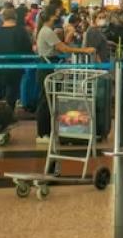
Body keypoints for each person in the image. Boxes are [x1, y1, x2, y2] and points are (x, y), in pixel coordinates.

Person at [35, 8, 97, 143]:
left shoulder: (45, 31)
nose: (58, 19)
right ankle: (42, 134)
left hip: (47, 66)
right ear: (50, 18)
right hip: (47, 68)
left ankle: (47, 132)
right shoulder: (47, 32)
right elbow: (63, 48)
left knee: (49, 99)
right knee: (46, 100)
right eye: (55, 16)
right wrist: (84, 50)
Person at [0, 8, 33, 108]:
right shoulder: (21, 31)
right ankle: (10, 110)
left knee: (3, 91)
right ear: (15, 17)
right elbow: (28, 48)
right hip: (17, 66)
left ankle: (2, 110)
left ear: (3, 18)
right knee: (13, 91)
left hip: (0, 66)